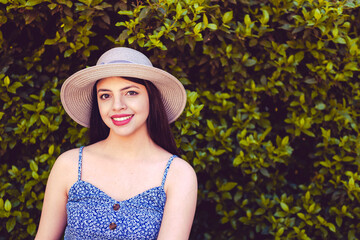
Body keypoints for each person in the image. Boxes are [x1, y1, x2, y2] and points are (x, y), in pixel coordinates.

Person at [35, 47, 198, 240]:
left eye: (131, 92)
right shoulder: (68, 165)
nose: (117, 105)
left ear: (151, 98)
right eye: (105, 95)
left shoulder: (178, 174)